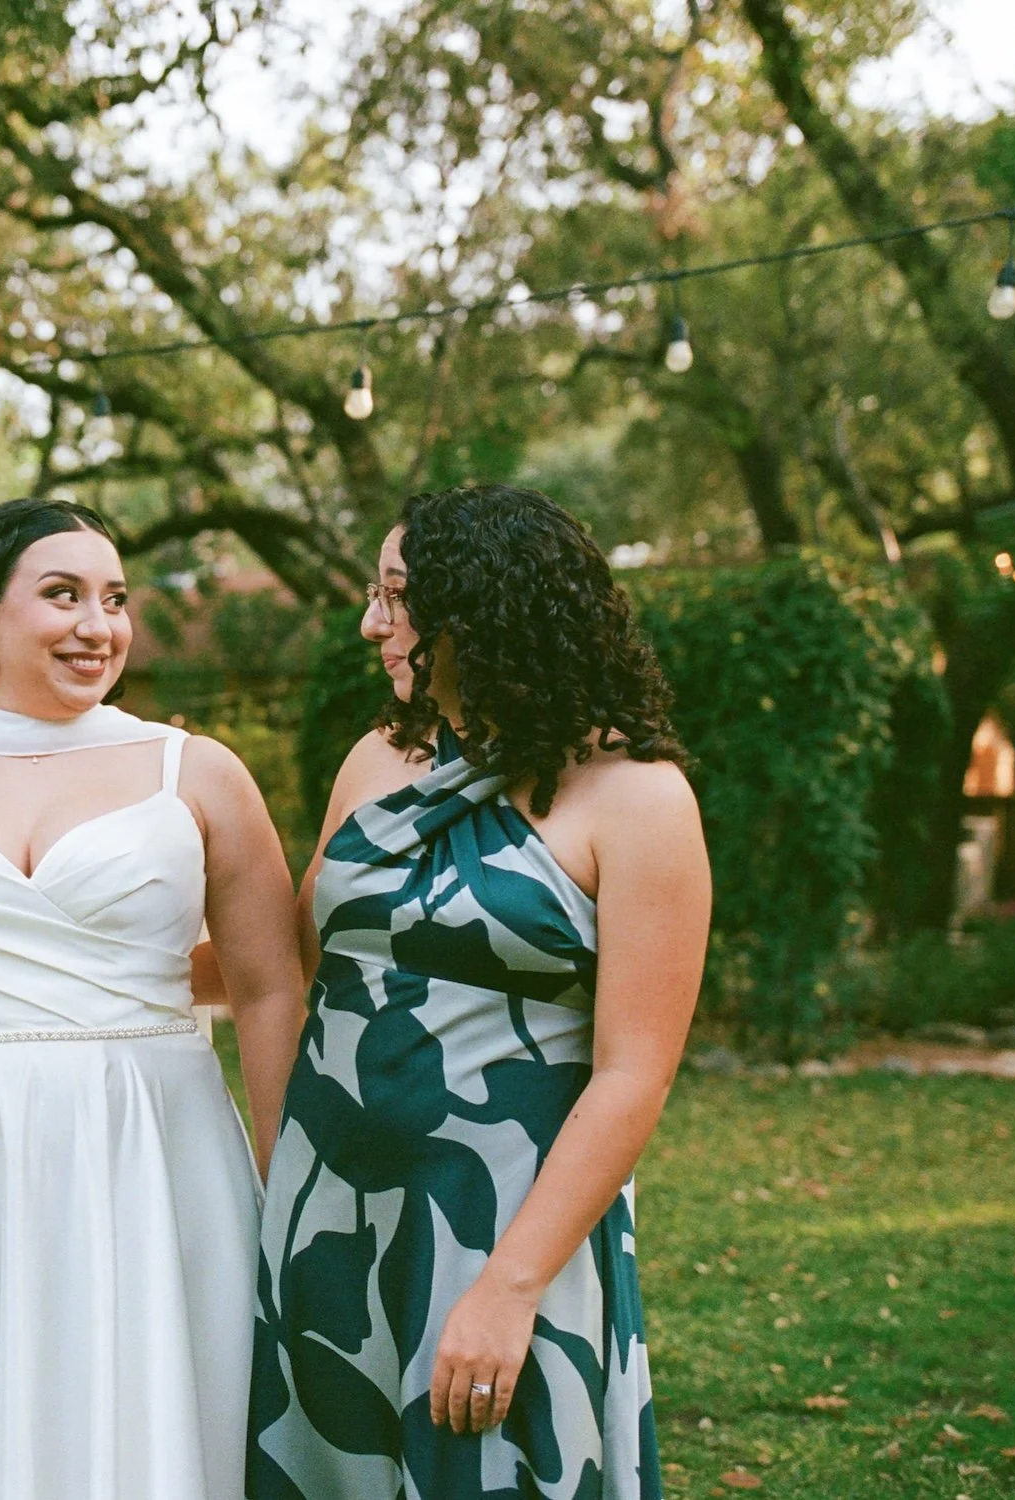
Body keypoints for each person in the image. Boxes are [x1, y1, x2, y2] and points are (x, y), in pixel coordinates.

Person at [0, 498, 308, 1500]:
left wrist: (284, 1187)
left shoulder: (196, 771)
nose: (99, 625)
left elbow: (269, 987)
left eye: (115, 600)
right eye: (63, 594)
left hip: (152, 1146)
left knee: (148, 1418)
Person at [248, 484, 710, 1500]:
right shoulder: (375, 761)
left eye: (398, 596)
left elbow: (636, 1072)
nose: (374, 621)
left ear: (484, 607)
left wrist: (511, 1286)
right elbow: (288, 953)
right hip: (331, 1212)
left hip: (504, 1224)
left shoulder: (637, 798)